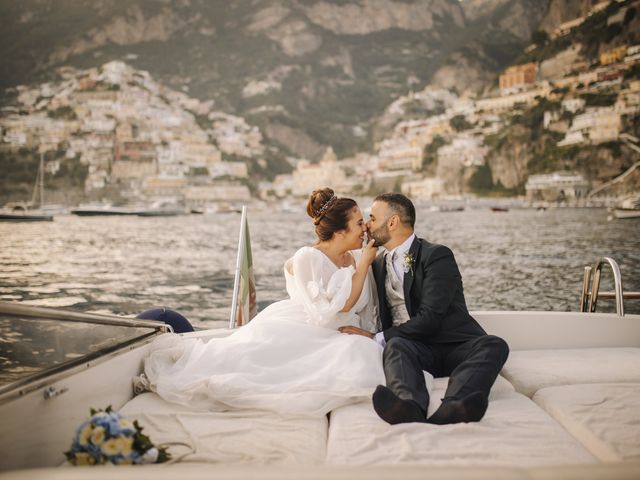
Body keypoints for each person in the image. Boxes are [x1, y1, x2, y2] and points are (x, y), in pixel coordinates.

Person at [143, 187, 383, 416]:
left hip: (341, 330)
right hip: (310, 326)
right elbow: (337, 308)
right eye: (360, 223)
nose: (365, 228)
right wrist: (363, 265)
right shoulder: (309, 257)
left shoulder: (354, 257)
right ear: (340, 231)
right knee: (354, 355)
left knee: (362, 352)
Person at [340, 193, 509, 425]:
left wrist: (375, 337)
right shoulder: (376, 263)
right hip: (413, 350)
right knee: (395, 346)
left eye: (372, 218)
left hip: (453, 345)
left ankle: (456, 406)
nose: (367, 225)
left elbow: (431, 317)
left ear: (392, 222)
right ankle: (408, 406)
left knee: (494, 344)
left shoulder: (436, 255)